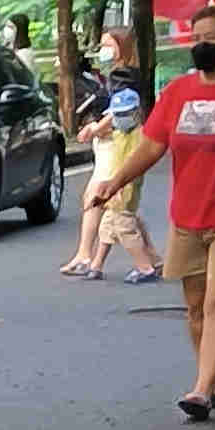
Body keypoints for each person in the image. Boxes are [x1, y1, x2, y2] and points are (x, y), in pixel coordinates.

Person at [135, 0, 215, 417]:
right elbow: (152, 145)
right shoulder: (178, 91)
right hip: (187, 214)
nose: (202, 45)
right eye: (197, 37)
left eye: (212, 38)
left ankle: (201, 390)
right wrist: (114, 182)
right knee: (195, 307)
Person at [65, 69, 161, 282]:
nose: (118, 119)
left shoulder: (138, 136)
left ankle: (145, 267)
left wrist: (117, 185)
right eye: (116, 114)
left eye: (123, 114)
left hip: (124, 189)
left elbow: (133, 165)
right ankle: (96, 265)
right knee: (107, 226)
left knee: (125, 228)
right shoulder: (120, 133)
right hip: (115, 187)